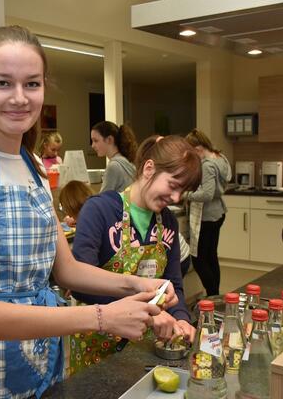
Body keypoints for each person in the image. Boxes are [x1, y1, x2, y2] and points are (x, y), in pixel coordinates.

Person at [0, 25, 175, 399]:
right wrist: (100, 318)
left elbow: (66, 270)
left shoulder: (34, 167)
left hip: (42, 362)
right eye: (2, 83)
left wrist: (138, 285)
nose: (19, 97)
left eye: (31, 84)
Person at [69, 135, 201, 371]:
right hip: (97, 345)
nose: (176, 198)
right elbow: (80, 285)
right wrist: (147, 312)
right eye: (173, 185)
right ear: (149, 168)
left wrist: (181, 317)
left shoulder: (167, 222)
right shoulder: (100, 210)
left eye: (183, 192)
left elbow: (172, 285)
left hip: (143, 347)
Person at [184, 129, 232, 297]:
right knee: (211, 256)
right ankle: (215, 296)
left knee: (198, 259)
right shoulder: (220, 158)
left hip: (208, 216)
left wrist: (186, 195)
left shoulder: (207, 165)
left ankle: (212, 296)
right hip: (218, 213)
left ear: (198, 148)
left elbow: (206, 194)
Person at [90, 121, 138, 192]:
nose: (93, 146)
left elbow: (102, 200)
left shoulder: (114, 166)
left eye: (96, 141)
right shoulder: (126, 161)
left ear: (109, 139)